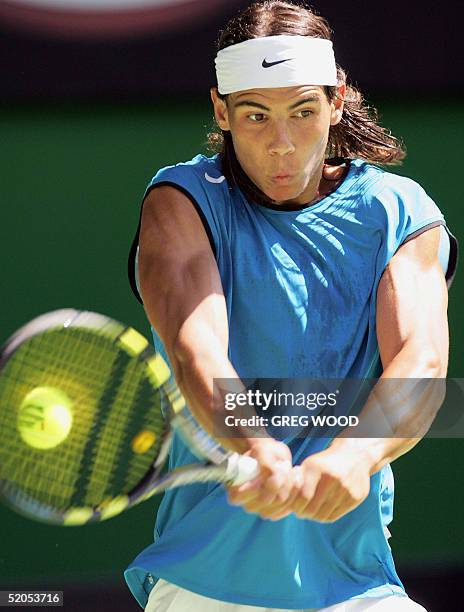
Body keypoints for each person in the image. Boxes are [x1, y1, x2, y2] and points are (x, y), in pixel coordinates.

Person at [124, 1, 458, 610]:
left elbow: (423, 359)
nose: (281, 144)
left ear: (336, 102)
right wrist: (252, 443)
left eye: (303, 111)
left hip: (359, 584)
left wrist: (356, 452)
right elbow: (196, 349)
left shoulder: (397, 210)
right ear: (222, 112)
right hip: (205, 585)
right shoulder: (181, 201)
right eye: (255, 115)